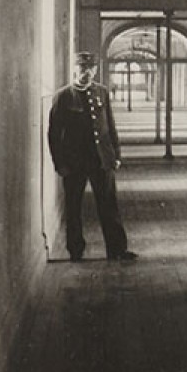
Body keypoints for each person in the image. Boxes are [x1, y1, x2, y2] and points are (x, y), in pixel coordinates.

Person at [47, 51, 137, 263]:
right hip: (74, 162)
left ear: (96, 70)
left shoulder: (102, 92)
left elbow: (110, 126)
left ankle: (117, 249)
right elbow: (53, 134)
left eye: (90, 69)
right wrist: (59, 163)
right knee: (73, 207)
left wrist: (115, 154)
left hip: (101, 159)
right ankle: (75, 250)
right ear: (74, 69)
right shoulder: (63, 96)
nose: (86, 73)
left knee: (109, 204)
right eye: (82, 68)